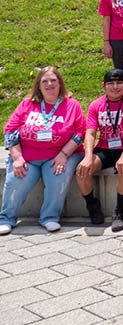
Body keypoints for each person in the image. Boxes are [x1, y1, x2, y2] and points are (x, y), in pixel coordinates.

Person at [0, 67, 86, 234]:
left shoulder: (71, 105)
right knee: (17, 180)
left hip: (59, 154)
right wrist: (17, 157)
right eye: (45, 81)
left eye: (54, 80)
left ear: (60, 83)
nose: (49, 84)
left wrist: (64, 155)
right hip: (27, 155)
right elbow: (10, 130)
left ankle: (49, 217)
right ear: (38, 85)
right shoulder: (27, 104)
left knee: (58, 176)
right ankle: (6, 218)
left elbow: (80, 132)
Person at [77, 69, 123, 231]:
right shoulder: (96, 105)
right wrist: (88, 156)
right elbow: (91, 132)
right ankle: (92, 205)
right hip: (105, 147)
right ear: (104, 86)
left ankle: (118, 212)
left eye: (119, 83)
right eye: (111, 83)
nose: (115, 87)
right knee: (82, 170)